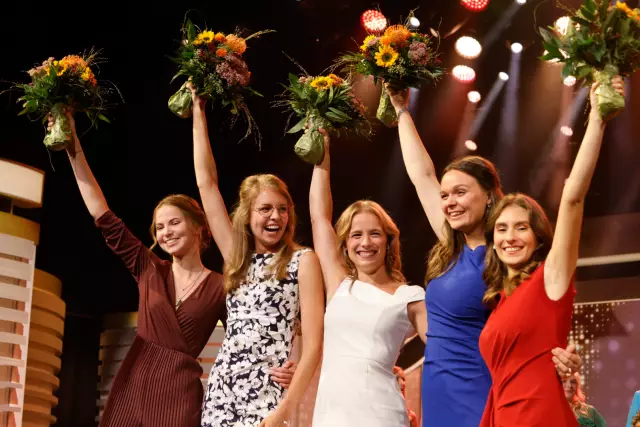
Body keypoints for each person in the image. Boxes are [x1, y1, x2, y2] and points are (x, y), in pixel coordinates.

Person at [386, 86, 582, 427]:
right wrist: (402, 109)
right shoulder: (452, 245)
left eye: (461, 193)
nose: (449, 202)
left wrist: (565, 351)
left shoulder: (504, 254)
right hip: (437, 390)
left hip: (480, 389)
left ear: (489, 196)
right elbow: (422, 176)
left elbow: (544, 305)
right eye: (445, 195)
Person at [478, 78, 626, 427]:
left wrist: (597, 119)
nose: (509, 237)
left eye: (521, 227)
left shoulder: (550, 279)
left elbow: (573, 196)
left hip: (540, 417)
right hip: (503, 417)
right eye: (501, 229)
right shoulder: (499, 300)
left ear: (537, 237)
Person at [190, 86, 324, 427]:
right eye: (265, 209)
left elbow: (314, 346)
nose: (275, 217)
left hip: (269, 396)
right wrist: (197, 111)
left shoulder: (302, 261)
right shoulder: (237, 256)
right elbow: (207, 183)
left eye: (282, 209)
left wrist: (285, 410)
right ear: (248, 215)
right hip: (222, 392)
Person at [308, 129, 427, 426]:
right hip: (331, 416)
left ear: (388, 241)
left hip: (381, 414)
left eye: (375, 234)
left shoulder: (410, 296)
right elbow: (319, 216)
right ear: (346, 244)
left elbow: (446, 344)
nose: (365, 243)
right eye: (356, 235)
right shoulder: (340, 284)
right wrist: (321, 146)